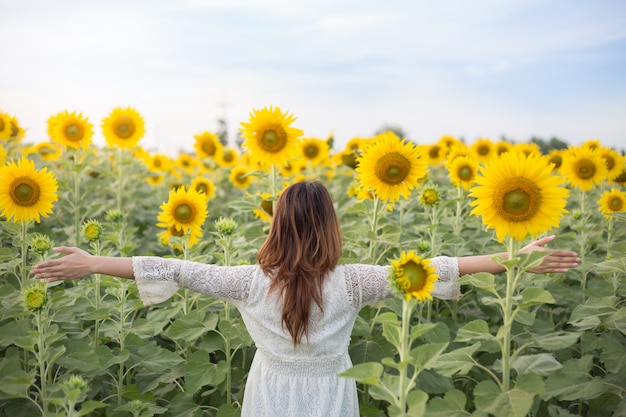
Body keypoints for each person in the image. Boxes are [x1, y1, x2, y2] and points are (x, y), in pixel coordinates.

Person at [32, 181, 580, 417]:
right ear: (331, 228)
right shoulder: (356, 281)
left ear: (276, 227)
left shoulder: (246, 282)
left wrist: (91, 263)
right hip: (330, 395)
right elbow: (440, 267)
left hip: (269, 392)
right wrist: (518, 257)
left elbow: (172, 266)